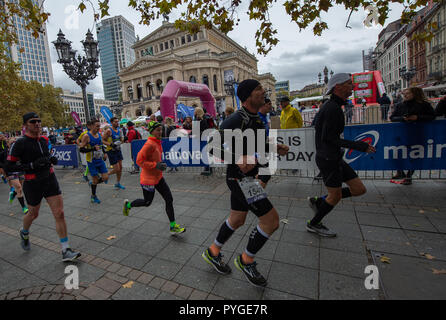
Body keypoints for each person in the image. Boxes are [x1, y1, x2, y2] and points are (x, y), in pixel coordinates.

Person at [202, 79, 289, 287]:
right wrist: (237, 158)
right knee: (271, 222)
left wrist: (274, 146)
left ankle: (213, 251)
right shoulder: (236, 119)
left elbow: (258, 144)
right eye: (259, 89)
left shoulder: (256, 119)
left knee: (237, 219)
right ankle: (246, 260)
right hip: (240, 180)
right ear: (248, 95)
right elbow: (211, 147)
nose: (263, 92)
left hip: (246, 178)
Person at [6, 112, 81, 261]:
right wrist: (31, 165)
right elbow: (9, 166)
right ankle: (24, 232)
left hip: (50, 179)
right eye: (33, 121)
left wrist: (50, 160)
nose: (37, 124)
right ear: (25, 125)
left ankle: (66, 250)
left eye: (39, 121)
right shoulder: (20, 143)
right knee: (34, 214)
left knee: (59, 213)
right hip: (33, 183)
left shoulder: (44, 140)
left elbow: (46, 157)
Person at [308, 73, 376, 237]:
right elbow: (328, 138)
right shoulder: (331, 108)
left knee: (359, 189)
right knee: (336, 196)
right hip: (328, 159)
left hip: (334, 157)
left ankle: (320, 201)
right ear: (337, 87)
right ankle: (314, 223)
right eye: (348, 83)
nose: (352, 87)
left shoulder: (334, 106)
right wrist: (358, 145)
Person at [122, 121, 185, 235]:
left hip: (158, 177)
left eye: (161, 129)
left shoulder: (157, 142)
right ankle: (128, 205)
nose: (160, 132)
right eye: (158, 130)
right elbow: (139, 161)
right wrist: (156, 165)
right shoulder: (149, 144)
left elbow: (155, 159)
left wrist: (160, 165)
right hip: (148, 180)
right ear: (151, 131)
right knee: (147, 202)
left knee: (169, 199)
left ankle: (173, 226)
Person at [390, 87, 436, 185]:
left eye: (408, 93)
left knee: (415, 155)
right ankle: (400, 171)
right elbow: (392, 117)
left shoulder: (424, 105)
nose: (405, 95)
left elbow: (432, 116)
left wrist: (417, 117)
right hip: (402, 133)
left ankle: (409, 176)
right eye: (404, 94)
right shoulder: (400, 105)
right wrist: (402, 119)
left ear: (415, 94)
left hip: (418, 132)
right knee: (396, 153)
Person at [79, 119, 109, 204]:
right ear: (91, 126)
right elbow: (81, 149)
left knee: (106, 177)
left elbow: (100, 145)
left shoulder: (99, 134)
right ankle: (93, 196)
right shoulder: (86, 136)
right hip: (91, 161)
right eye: (97, 126)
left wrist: (105, 152)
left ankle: (92, 183)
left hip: (99, 159)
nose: (98, 128)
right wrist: (92, 149)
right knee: (96, 180)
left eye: (99, 126)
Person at [6, 137, 28, 214]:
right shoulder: (6, 152)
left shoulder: (20, 150)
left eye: (15, 142)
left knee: (20, 187)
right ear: (8, 144)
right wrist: (6, 175)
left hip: (20, 170)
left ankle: (13, 194)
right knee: (19, 187)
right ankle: (24, 207)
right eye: (12, 143)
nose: (14, 144)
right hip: (11, 171)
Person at [102, 117, 125, 190]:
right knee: (117, 169)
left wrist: (123, 140)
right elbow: (102, 140)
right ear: (111, 122)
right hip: (111, 151)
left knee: (120, 168)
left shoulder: (119, 130)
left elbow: (121, 140)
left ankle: (118, 183)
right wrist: (110, 144)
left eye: (117, 121)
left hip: (118, 150)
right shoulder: (109, 130)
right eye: (115, 122)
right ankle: (106, 175)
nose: (117, 123)